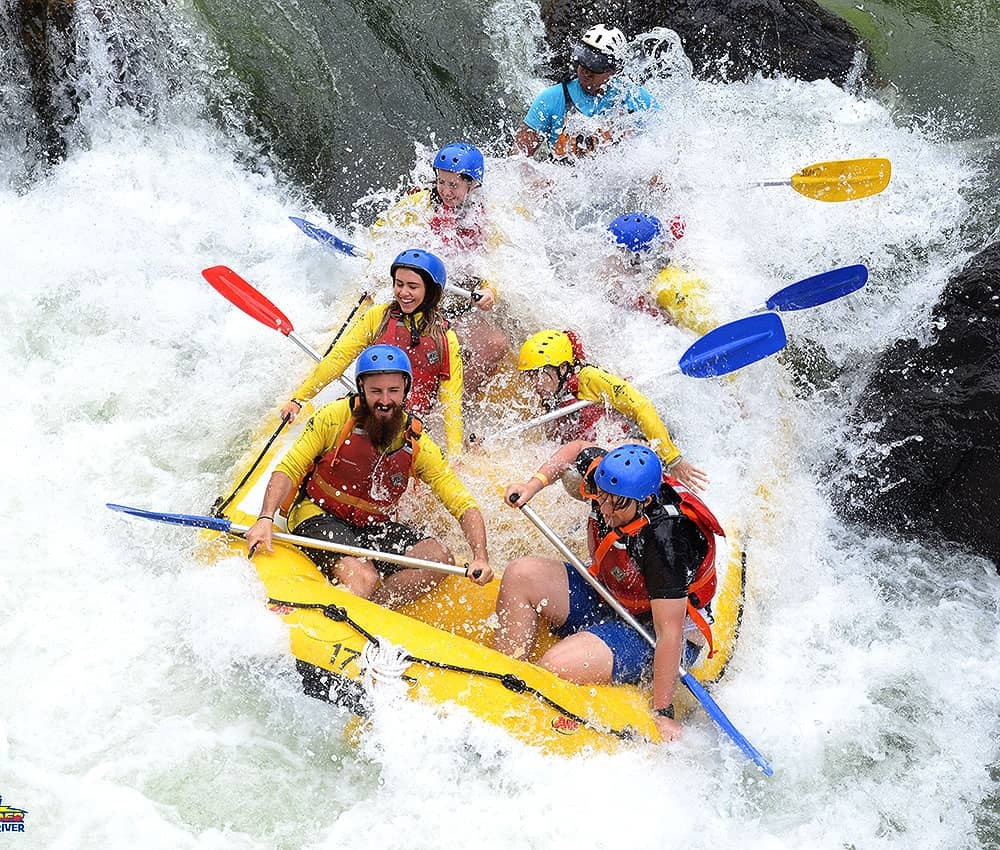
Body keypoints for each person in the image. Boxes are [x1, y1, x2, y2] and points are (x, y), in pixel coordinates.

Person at [494, 442, 724, 741]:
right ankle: (500, 675)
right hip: (611, 595)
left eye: (617, 504)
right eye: (602, 498)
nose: (605, 509)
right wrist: (532, 485)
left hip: (652, 631)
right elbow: (576, 450)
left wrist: (663, 712)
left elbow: (670, 631)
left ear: (646, 501)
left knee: (555, 665)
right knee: (520, 574)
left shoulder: (666, 540)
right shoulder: (608, 482)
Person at [246, 344, 492, 608]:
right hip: (320, 515)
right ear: (362, 388)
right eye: (376, 391)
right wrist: (265, 517)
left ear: (405, 391)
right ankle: (344, 600)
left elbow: (462, 503)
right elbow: (290, 468)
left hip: (371, 526)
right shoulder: (333, 418)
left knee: (440, 558)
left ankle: (372, 609)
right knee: (363, 577)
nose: (385, 401)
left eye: (393, 391)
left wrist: (480, 555)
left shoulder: (416, 441)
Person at [280, 248, 466, 456]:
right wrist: (300, 399)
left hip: (407, 427)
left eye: (412, 286)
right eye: (399, 284)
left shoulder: (445, 339)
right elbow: (338, 358)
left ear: (430, 291)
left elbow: (451, 400)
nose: (403, 293)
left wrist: (454, 454)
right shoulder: (379, 316)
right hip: (370, 410)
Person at [370, 143, 511, 394]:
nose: (445, 191)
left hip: (457, 300)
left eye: (454, 185)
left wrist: (490, 290)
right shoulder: (421, 204)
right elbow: (382, 233)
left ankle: (449, 400)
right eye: (441, 182)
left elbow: (497, 259)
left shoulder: (486, 215)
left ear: (473, 184)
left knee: (496, 344)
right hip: (417, 297)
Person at [515, 328, 709, 491]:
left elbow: (642, 408)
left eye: (541, 374)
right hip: (605, 447)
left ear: (563, 368)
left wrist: (674, 460)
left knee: (576, 474)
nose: (536, 383)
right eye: (531, 376)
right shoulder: (555, 392)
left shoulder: (590, 378)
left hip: (642, 442)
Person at [512, 24, 659, 160]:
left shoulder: (637, 99)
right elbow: (517, 159)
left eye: (596, 65)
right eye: (584, 61)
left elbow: (667, 149)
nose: (586, 71)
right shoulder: (552, 98)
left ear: (616, 70)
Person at [605, 212, 716, 336]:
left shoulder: (667, 287)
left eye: (619, 253)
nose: (611, 259)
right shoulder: (673, 234)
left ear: (635, 261)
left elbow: (712, 332)